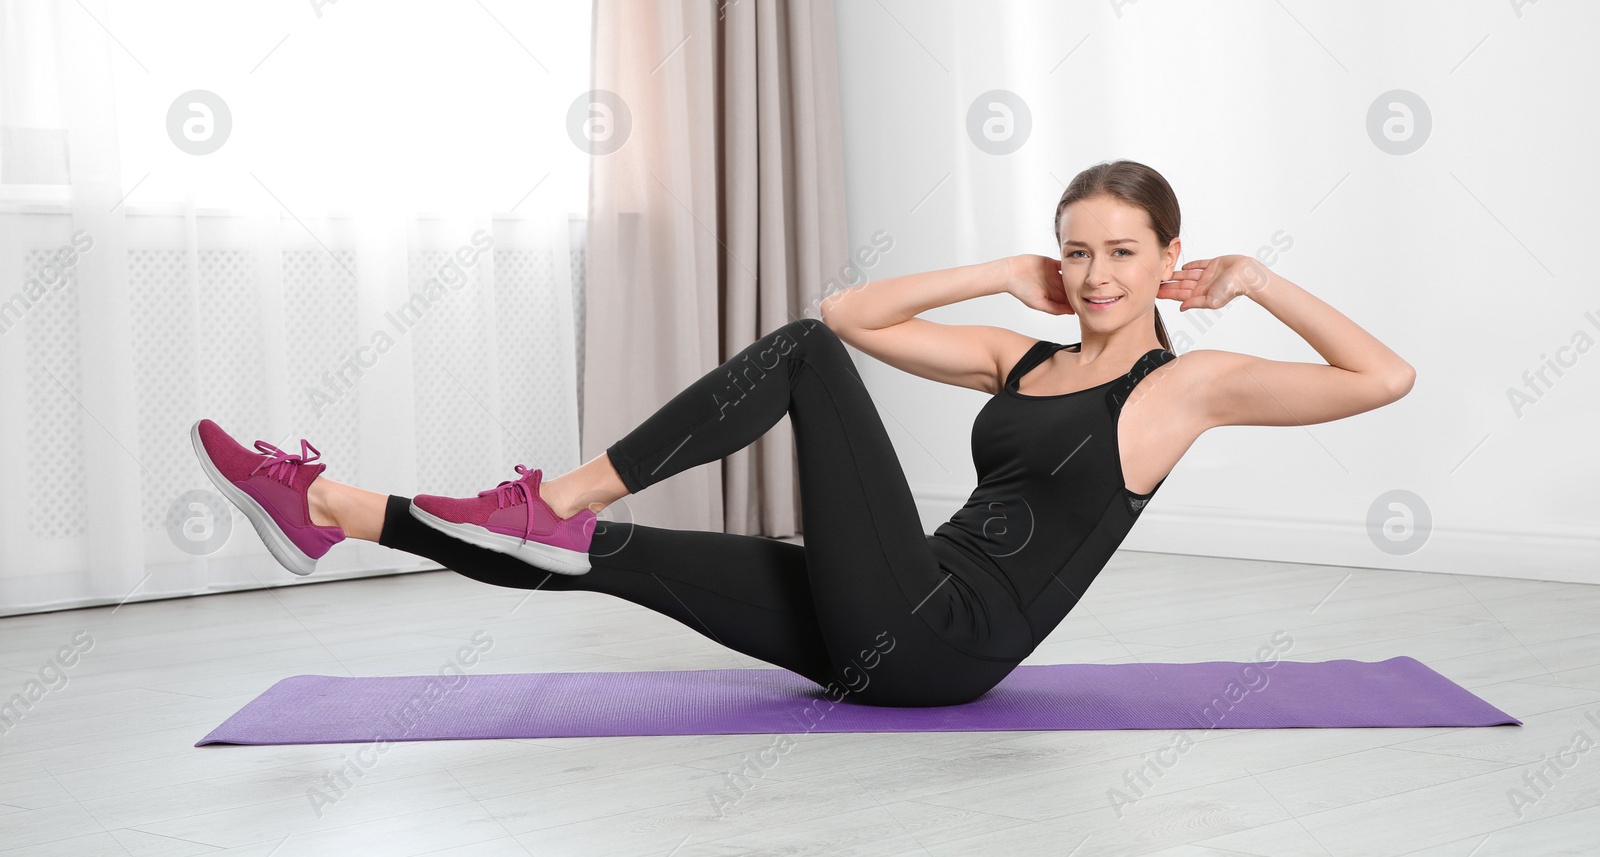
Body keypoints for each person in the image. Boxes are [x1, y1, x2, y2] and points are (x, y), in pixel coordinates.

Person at [191, 160, 1414, 708]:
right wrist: (1004, 270)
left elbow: (1383, 375)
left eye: (1121, 252)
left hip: (942, 641)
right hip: (874, 620)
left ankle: (554, 488)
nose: (1096, 272)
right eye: (1078, 248)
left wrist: (1255, 280)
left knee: (798, 364)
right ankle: (333, 509)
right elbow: (851, 309)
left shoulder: (1181, 385)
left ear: (1165, 259)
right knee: (616, 556)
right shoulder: (1023, 351)